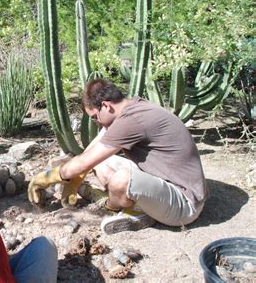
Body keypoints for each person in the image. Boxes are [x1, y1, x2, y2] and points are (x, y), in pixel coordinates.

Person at [28, 78, 208, 235]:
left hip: (184, 206)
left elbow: (84, 162)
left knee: (122, 180)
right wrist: (75, 178)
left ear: (106, 105)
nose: (96, 122)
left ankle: (114, 207)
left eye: (94, 117)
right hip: (165, 184)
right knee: (102, 160)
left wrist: (46, 178)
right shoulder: (132, 108)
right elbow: (92, 153)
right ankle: (139, 206)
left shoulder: (132, 121)